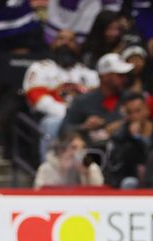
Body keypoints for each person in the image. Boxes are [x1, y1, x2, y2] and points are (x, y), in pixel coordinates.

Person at [23, 29, 100, 159]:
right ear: (53, 44)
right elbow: (39, 100)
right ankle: (50, 173)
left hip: (85, 119)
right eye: (61, 39)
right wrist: (71, 115)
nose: (66, 43)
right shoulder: (40, 68)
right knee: (52, 123)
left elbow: (97, 100)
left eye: (71, 40)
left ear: (78, 47)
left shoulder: (89, 74)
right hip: (53, 117)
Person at [60, 52, 133, 145]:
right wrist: (84, 126)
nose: (125, 79)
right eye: (120, 75)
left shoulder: (130, 98)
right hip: (91, 151)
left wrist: (119, 124)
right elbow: (64, 129)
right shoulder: (83, 101)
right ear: (104, 76)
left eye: (125, 75)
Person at [104, 91, 153, 188]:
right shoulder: (120, 136)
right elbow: (116, 169)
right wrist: (135, 140)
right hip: (131, 184)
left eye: (138, 111)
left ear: (147, 110)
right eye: (129, 112)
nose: (134, 116)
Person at [34, 131, 104, 188]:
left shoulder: (90, 166)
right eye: (74, 148)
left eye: (83, 147)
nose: (79, 151)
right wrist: (62, 171)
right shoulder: (46, 168)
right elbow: (39, 192)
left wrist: (87, 173)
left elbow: (99, 190)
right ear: (62, 150)